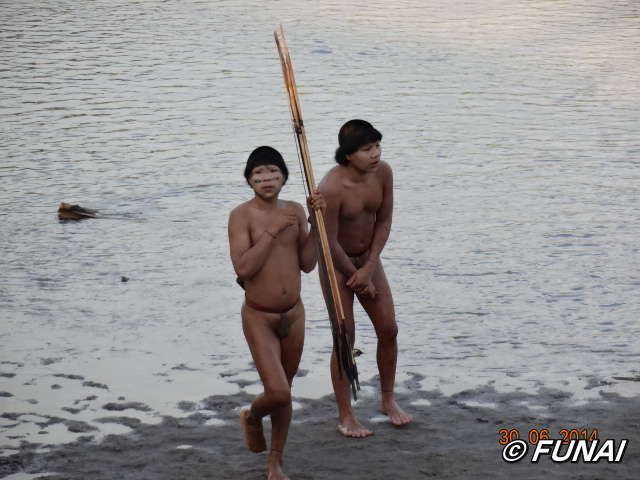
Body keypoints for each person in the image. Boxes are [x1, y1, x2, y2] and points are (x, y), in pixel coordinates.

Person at [228, 146, 325, 480]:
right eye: (258, 174)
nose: (266, 179)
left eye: (273, 172)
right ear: (249, 181)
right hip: (259, 315)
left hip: (293, 314)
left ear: (284, 176)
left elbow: (308, 264)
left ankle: (275, 462)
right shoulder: (242, 215)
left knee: (286, 392)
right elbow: (243, 267)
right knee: (278, 391)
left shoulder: (295, 210)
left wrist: (315, 223)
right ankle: (252, 418)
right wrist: (272, 231)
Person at [318, 119, 412, 438]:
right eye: (366, 149)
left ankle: (388, 400)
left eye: (377, 146)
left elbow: (384, 219)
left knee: (389, 328)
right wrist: (353, 274)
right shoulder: (330, 188)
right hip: (336, 264)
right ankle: (346, 415)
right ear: (347, 155)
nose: (375, 154)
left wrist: (369, 267)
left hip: (368, 261)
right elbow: (328, 242)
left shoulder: (383, 172)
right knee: (346, 339)